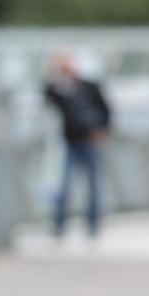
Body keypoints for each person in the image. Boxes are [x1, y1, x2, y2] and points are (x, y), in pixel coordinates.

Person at [43, 49, 111, 238]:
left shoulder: (89, 86)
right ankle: (60, 225)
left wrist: (102, 132)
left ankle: (93, 226)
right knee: (65, 186)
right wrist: (55, 74)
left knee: (93, 187)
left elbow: (106, 111)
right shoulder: (62, 89)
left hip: (91, 141)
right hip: (71, 142)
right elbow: (47, 95)